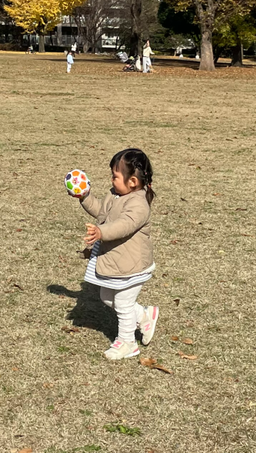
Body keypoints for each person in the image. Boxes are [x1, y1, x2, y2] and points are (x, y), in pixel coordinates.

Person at [69, 148, 159, 360]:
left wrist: (102, 232)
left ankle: (127, 343)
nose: (111, 179)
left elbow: (124, 225)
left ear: (133, 181)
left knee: (123, 303)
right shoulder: (115, 194)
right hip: (116, 261)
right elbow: (103, 212)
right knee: (107, 297)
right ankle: (144, 316)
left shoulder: (138, 204)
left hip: (132, 264)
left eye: (115, 176)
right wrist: (85, 197)